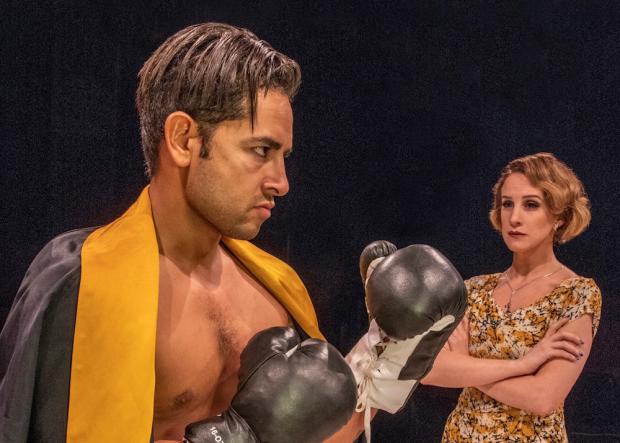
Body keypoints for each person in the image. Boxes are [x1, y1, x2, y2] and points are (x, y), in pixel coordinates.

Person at [0, 22, 466, 443]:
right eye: (260, 149)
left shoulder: (275, 285)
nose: (281, 182)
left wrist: (386, 353)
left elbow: (312, 436)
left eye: (284, 155)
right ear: (184, 140)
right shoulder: (85, 282)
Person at [421, 152, 602, 442]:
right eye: (507, 204)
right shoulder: (473, 290)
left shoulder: (576, 293)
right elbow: (428, 369)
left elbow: (543, 397)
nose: (514, 217)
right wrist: (523, 366)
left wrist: (467, 367)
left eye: (531, 205)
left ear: (560, 216)